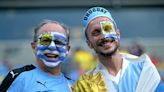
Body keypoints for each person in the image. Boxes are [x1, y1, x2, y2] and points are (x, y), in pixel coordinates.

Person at [73, 7, 164, 92]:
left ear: (118, 34)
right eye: (96, 33)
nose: (104, 36)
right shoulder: (84, 85)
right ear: (89, 43)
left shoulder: (144, 68)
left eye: (107, 28)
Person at [6, 20, 73, 92]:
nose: (52, 46)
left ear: (67, 49)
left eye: (58, 42)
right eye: (45, 40)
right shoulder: (18, 78)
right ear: (34, 47)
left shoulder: (74, 85)